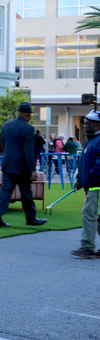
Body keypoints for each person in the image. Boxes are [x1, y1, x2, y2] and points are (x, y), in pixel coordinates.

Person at [0, 102, 48, 228]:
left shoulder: (6, 125)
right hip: (21, 165)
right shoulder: (28, 128)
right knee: (26, 192)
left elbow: (5, 145)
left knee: (5, 192)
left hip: (8, 162)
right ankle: (31, 218)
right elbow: (28, 150)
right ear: (28, 114)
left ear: (18, 112)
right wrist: (33, 170)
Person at [71, 110, 100, 258]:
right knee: (96, 216)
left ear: (95, 124)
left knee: (88, 213)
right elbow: (86, 163)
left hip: (96, 185)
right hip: (91, 184)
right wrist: (80, 180)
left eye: (86, 123)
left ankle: (87, 247)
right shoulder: (92, 140)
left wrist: (87, 178)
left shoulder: (98, 140)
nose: (83, 125)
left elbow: (98, 166)